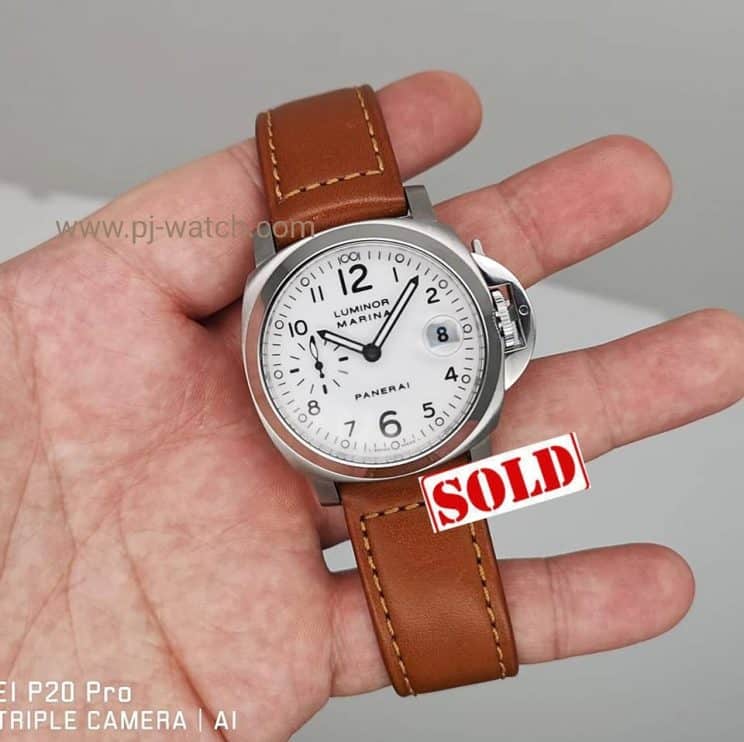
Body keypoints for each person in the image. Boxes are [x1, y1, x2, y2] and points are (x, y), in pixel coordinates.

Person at [0, 71, 742, 740]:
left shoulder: (412, 268)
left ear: (493, 312)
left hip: (424, 434)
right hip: (356, 454)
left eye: (379, 342)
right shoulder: (292, 324)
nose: (374, 356)